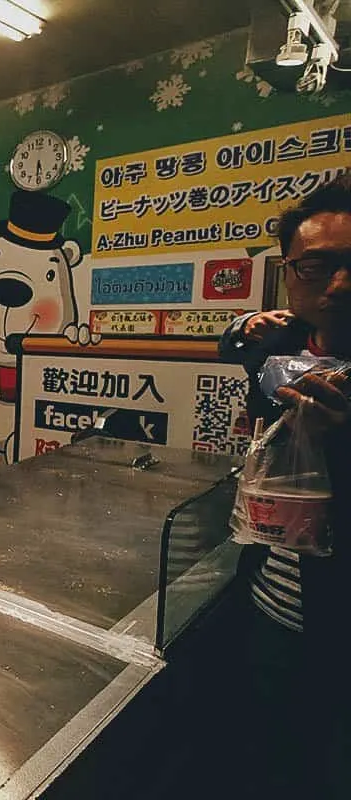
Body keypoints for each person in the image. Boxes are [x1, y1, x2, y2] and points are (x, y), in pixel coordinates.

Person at [218, 174, 351, 799]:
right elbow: (234, 348)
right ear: (290, 273)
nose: (340, 285)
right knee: (266, 757)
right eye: (317, 266)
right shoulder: (286, 346)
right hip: (270, 600)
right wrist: (245, 321)